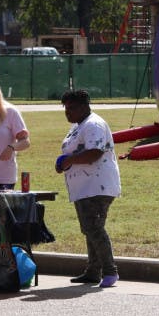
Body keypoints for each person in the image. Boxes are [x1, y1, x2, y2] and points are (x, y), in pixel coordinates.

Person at [55, 89, 121, 288]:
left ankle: (110, 271)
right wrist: (65, 162)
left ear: (85, 106)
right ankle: (93, 271)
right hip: (84, 187)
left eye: (72, 108)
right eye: (66, 109)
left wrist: (69, 161)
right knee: (90, 229)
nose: (68, 112)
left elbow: (94, 153)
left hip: (97, 186)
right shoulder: (80, 125)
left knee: (93, 228)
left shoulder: (93, 124)